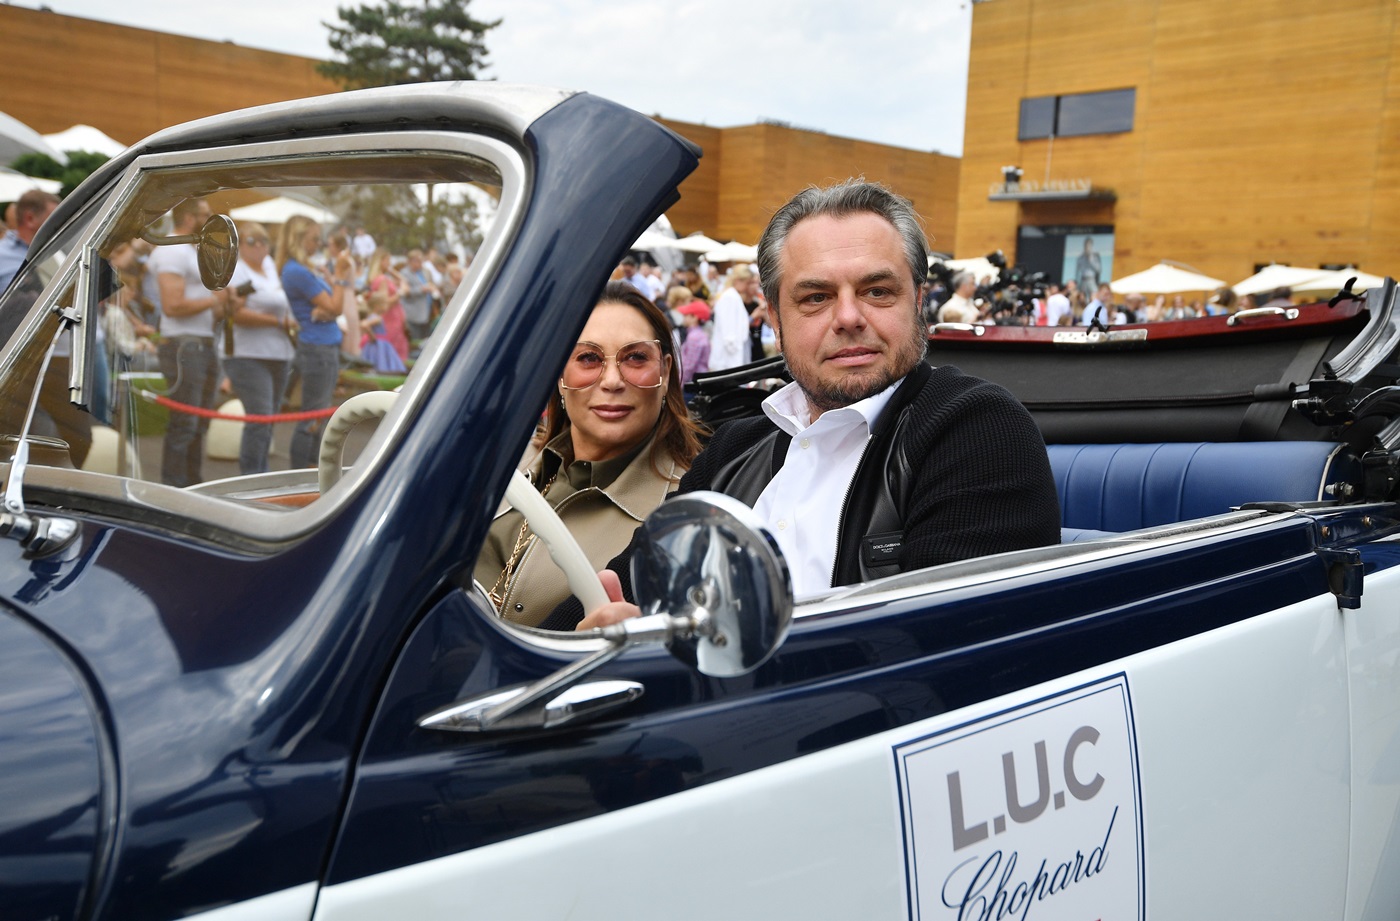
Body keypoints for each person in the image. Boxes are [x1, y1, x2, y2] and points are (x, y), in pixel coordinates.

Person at [544, 179, 1060, 631]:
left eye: (877, 291)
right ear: (774, 317)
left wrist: (668, 658)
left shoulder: (976, 430)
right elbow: (620, 588)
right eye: (816, 297)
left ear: (919, 302)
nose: (849, 317)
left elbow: (934, 656)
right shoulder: (734, 451)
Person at [472, 281, 706, 626]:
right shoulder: (505, 462)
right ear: (559, 375)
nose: (612, 380)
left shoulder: (686, 511)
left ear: (665, 371)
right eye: (588, 358)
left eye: (635, 357)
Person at [150, 198, 226, 487]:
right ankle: (174, 487)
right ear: (190, 218)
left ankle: (193, 485)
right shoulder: (172, 250)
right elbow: (172, 306)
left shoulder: (191, 250)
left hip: (201, 342)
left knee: (199, 422)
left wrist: (223, 301)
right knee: (185, 423)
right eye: (207, 215)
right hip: (183, 345)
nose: (211, 220)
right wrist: (214, 300)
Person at [277, 214, 350, 470]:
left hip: (321, 346)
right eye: (314, 239)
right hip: (318, 347)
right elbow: (336, 306)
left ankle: (308, 471)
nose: (318, 244)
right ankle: (301, 474)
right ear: (298, 239)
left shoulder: (301, 269)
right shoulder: (297, 271)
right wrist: (340, 276)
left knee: (317, 415)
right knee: (312, 416)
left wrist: (329, 308)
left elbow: (332, 308)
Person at [223, 222, 296, 475]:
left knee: (269, 419)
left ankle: (260, 473)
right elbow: (237, 314)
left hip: (279, 352)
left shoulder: (269, 267)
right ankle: (252, 476)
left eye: (264, 241)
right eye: (252, 241)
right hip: (248, 353)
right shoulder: (238, 270)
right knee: (260, 418)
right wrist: (277, 322)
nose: (259, 246)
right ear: (241, 245)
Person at [0, 189, 59, 294]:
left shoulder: (60, 250)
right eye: (54, 218)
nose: (60, 224)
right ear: (30, 219)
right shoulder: (2, 255)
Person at [708, 263, 759, 371]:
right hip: (728, 361)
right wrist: (735, 359)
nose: (747, 287)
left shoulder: (732, 296)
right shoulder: (730, 297)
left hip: (729, 359)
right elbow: (729, 333)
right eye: (747, 283)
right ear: (738, 280)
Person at [365, 247, 410, 362]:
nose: (389, 263)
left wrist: (391, 271)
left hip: (391, 317)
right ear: (381, 261)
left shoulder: (377, 278)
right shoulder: (382, 279)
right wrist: (400, 293)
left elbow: (403, 280)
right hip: (390, 318)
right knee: (395, 351)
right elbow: (384, 302)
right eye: (388, 260)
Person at [400, 249, 438, 343]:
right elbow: (405, 292)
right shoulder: (404, 273)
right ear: (410, 261)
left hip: (427, 310)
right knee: (417, 339)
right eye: (416, 261)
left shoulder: (425, 272)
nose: (419, 263)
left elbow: (431, 283)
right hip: (414, 312)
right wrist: (421, 289)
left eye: (421, 260)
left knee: (428, 338)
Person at [677, 298, 711, 383]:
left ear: (694, 317)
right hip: (698, 381)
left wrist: (679, 384)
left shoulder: (694, 337)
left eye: (686, 315)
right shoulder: (700, 335)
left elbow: (689, 366)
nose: (683, 318)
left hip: (692, 383)